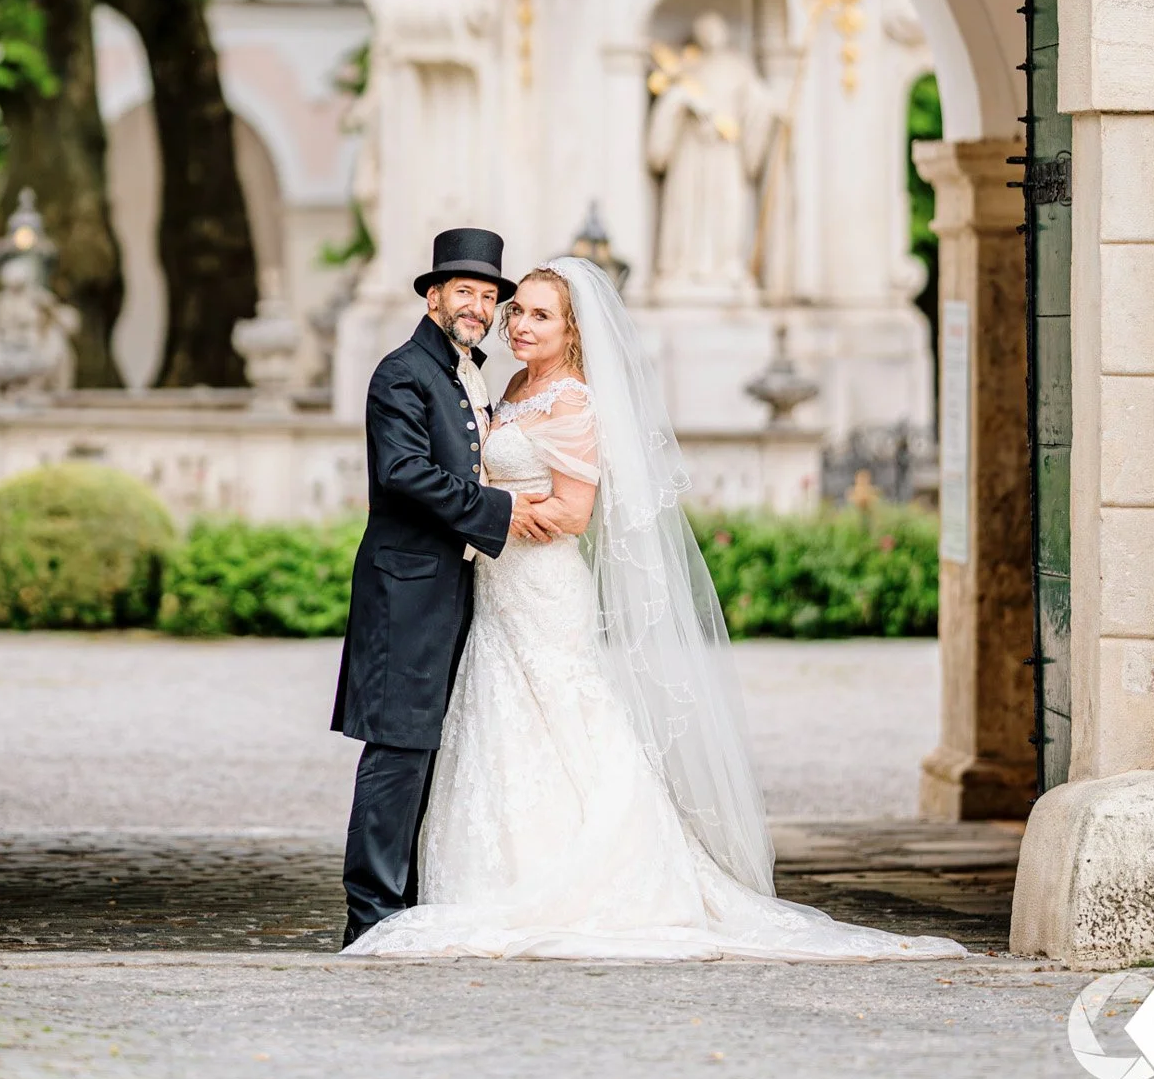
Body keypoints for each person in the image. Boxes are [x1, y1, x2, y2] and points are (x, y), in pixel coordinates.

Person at [344, 257, 966, 962]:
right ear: (436, 297)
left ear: (574, 330)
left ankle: (592, 876)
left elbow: (574, 514)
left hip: (542, 587)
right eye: (513, 309)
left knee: (565, 722)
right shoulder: (504, 383)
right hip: (492, 589)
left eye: (531, 311)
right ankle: (475, 879)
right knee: (493, 726)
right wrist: (499, 510)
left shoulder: (574, 399)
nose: (514, 320)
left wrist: (501, 511)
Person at [332, 227, 552, 947]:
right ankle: (371, 916)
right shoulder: (402, 372)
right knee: (397, 747)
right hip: (407, 588)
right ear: (433, 297)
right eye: (466, 292)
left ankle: (409, 902)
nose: (480, 307)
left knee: (432, 747)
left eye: (490, 296)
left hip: (455, 586)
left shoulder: (464, 370)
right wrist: (502, 510)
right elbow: (404, 473)